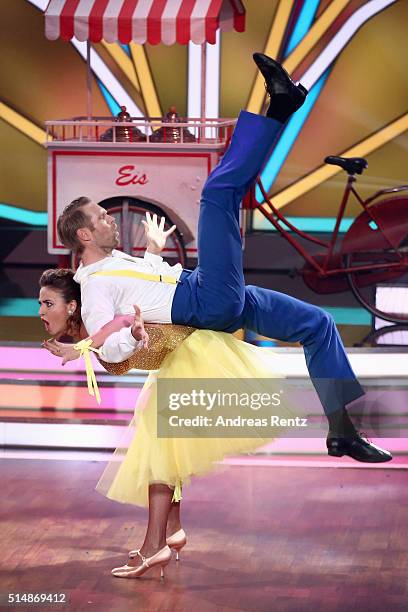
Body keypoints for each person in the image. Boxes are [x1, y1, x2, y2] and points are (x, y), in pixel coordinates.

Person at [50, 53, 392, 575]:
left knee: (317, 325)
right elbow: (109, 343)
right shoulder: (92, 284)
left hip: (199, 293)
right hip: (207, 301)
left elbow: (147, 281)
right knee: (218, 194)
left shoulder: (115, 261)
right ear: (82, 236)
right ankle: (281, 105)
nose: (111, 220)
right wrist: (134, 334)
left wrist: (152, 255)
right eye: (101, 219)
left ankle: (342, 429)